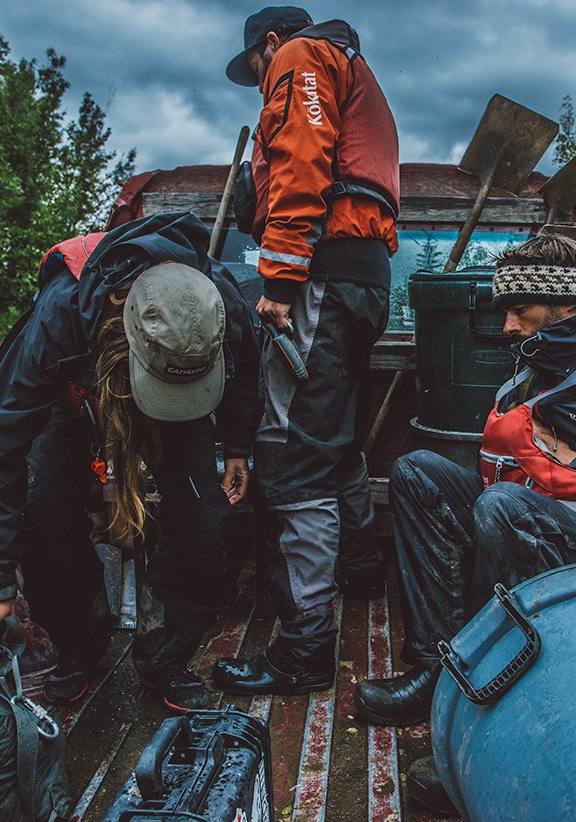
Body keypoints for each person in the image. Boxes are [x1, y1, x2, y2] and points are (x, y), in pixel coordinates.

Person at [353, 233, 576, 815]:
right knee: (418, 472)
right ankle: (437, 669)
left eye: (518, 309)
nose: (506, 326)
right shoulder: (541, 368)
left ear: (564, 304)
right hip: (544, 533)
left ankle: (485, 716)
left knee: (504, 509)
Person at [0, 212, 260, 712]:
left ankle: (164, 659)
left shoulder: (218, 299)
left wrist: (236, 446)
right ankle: (79, 646)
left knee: (202, 518)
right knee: (43, 514)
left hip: (177, 383)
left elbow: (246, 368)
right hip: (75, 386)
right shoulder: (62, 313)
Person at [213, 6, 401, 695]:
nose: (261, 83)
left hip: (320, 275)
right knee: (334, 440)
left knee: (292, 462)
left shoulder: (300, 57)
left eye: (256, 71)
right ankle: (360, 570)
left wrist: (280, 278)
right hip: (362, 278)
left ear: (269, 44)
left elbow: (298, 164)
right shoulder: (353, 70)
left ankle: (303, 650)